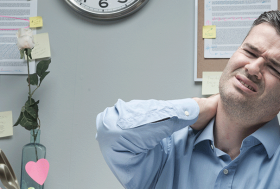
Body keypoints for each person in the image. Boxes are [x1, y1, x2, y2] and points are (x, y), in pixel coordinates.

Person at [96, 10, 280, 189]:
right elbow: (111, 131)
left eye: (274, 68)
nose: (253, 68)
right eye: (250, 52)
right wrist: (196, 108)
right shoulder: (165, 148)